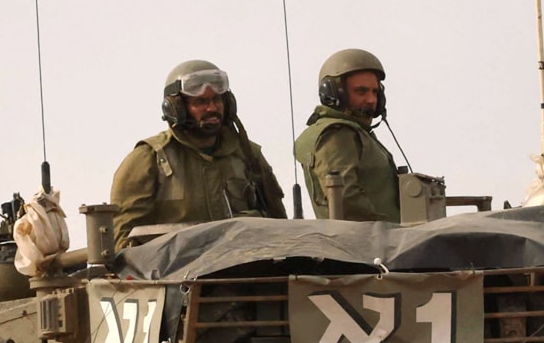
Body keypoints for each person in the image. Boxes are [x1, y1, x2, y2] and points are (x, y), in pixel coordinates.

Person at [108, 60, 286, 245]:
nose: (212, 108)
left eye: (217, 99)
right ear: (176, 108)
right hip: (173, 271)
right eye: (200, 102)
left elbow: (280, 225)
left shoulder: (248, 155)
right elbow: (123, 241)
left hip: (247, 269)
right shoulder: (149, 159)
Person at [294, 48, 401, 222]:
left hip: (384, 242)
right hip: (365, 243)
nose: (371, 100)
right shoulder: (336, 135)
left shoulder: (356, 133)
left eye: (375, 92)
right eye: (361, 91)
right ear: (334, 93)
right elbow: (345, 200)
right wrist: (394, 232)